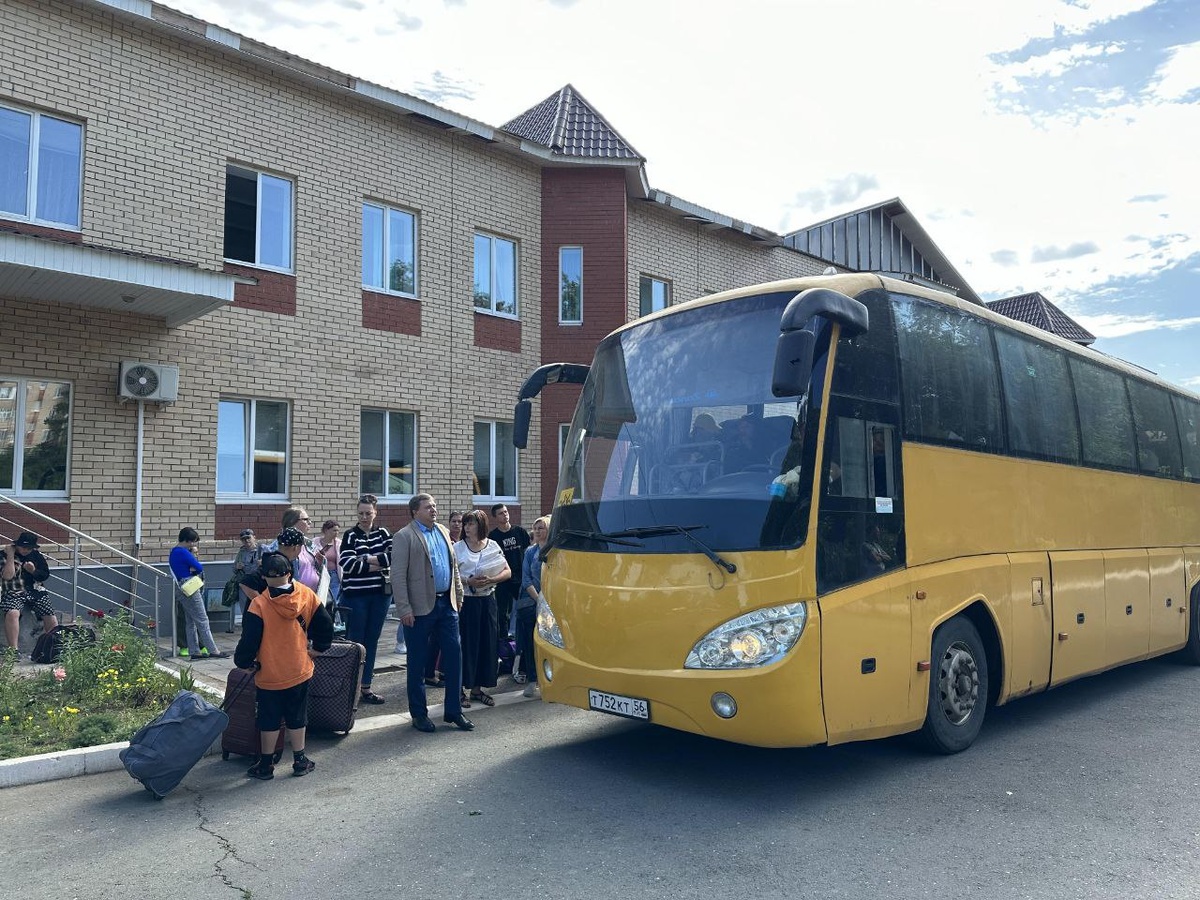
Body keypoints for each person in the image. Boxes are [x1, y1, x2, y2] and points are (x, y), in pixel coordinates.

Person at [234, 551, 333, 780]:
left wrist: (245, 663)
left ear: (265, 578)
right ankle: (300, 760)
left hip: (269, 673)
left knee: (268, 717)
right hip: (299, 668)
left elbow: (249, 639)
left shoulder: (258, 605)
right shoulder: (306, 595)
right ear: (289, 574)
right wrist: (319, 648)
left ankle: (266, 764)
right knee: (297, 715)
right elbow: (325, 624)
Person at [392, 493, 472, 733]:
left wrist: (458, 596)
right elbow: (397, 576)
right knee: (417, 662)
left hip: (446, 606)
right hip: (418, 609)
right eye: (429, 507)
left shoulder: (443, 531)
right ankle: (419, 714)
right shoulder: (404, 536)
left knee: (454, 656)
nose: (434, 510)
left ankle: (454, 711)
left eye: (435, 506)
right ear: (415, 511)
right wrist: (404, 608)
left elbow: (453, 567)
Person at [338, 494, 391, 705]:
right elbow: (346, 563)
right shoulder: (350, 535)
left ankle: (366, 687)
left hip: (380, 596)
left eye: (368, 513)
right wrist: (379, 564)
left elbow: (394, 556)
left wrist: (366, 560)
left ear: (375, 512)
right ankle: (351, 688)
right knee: (355, 642)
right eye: (361, 513)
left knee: (372, 640)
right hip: (356, 597)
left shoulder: (384, 533)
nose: (364, 517)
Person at [454, 509, 509, 710]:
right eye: (465, 524)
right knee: (466, 645)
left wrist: (492, 579)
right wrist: (469, 581)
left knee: (486, 645)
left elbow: (507, 571)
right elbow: (451, 576)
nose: (466, 527)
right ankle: (459, 689)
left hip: (487, 600)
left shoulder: (492, 545)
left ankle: (477, 689)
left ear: (481, 525)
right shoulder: (458, 548)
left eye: (470, 524)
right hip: (467, 602)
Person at [168, 528, 227, 660]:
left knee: (190, 621)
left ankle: (194, 651)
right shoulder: (183, 552)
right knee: (202, 619)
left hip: (180, 587)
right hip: (190, 586)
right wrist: (193, 559)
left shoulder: (173, 552)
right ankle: (214, 650)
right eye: (193, 542)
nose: (193, 545)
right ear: (187, 540)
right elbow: (198, 567)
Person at [1, 531, 58, 658]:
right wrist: (10, 556)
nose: (26, 550)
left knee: (50, 615)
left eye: (29, 548)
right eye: (23, 547)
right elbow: (7, 576)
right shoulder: (4, 555)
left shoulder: (36, 555)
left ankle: (51, 646)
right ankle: (13, 650)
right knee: (12, 612)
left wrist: (33, 571)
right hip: (13, 591)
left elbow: (44, 575)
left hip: (35, 590)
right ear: (17, 545)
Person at [516, 516, 549, 698]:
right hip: (533, 603)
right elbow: (526, 579)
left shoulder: (556, 551)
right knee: (530, 643)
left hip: (553, 603)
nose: (537, 531)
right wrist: (539, 600)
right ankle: (532, 679)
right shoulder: (530, 552)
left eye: (541, 528)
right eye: (535, 528)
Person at [488, 504, 529, 639]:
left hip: (520, 578)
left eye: (506, 512)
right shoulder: (493, 537)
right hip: (503, 579)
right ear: (495, 517)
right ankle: (504, 640)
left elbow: (528, 553)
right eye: (500, 513)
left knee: (525, 608)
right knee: (502, 612)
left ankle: (524, 636)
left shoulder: (520, 532)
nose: (505, 515)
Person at [227, 529, 262, 633]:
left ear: (254, 537)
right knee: (245, 610)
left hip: (257, 584)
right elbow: (234, 568)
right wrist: (237, 567)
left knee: (258, 607)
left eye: (248, 538)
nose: (246, 541)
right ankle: (247, 630)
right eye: (243, 539)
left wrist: (262, 564)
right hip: (244, 585)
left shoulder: (262, 550)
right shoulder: (241, 552)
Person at [311, 519, 342, 610]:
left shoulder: (338, 543)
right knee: (321, 597)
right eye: (334, 530)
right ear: (326, 530)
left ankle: (334, 618)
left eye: (338, 531)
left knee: (335, 599)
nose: (336, 533)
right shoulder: (315, 542)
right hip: (320, 574)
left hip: (334, 575)